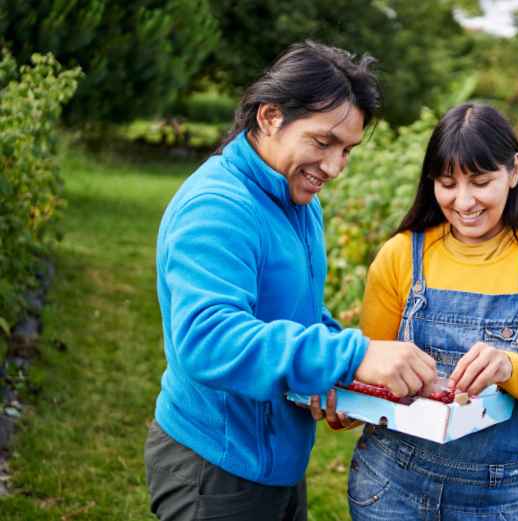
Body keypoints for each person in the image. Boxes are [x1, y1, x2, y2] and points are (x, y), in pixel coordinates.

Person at [143, 41, 436, 521]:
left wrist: (339, 375)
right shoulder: (218, 208)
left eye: (347, 150)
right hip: (216, 468)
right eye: (323, 143)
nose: (335, 167)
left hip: (275, 460)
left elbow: (293, 314)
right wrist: (355, 354)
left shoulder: (297, 200)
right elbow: (208, 340)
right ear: (270, 117)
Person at [346, 103, 518, 521]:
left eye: (480, 182)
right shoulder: (402, 255)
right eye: (447, 183)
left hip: (502, 493)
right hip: (391, 484)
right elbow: (370, 375)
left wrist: (510, 369)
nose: (463, 202)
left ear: (514, 171)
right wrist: (342, 400)